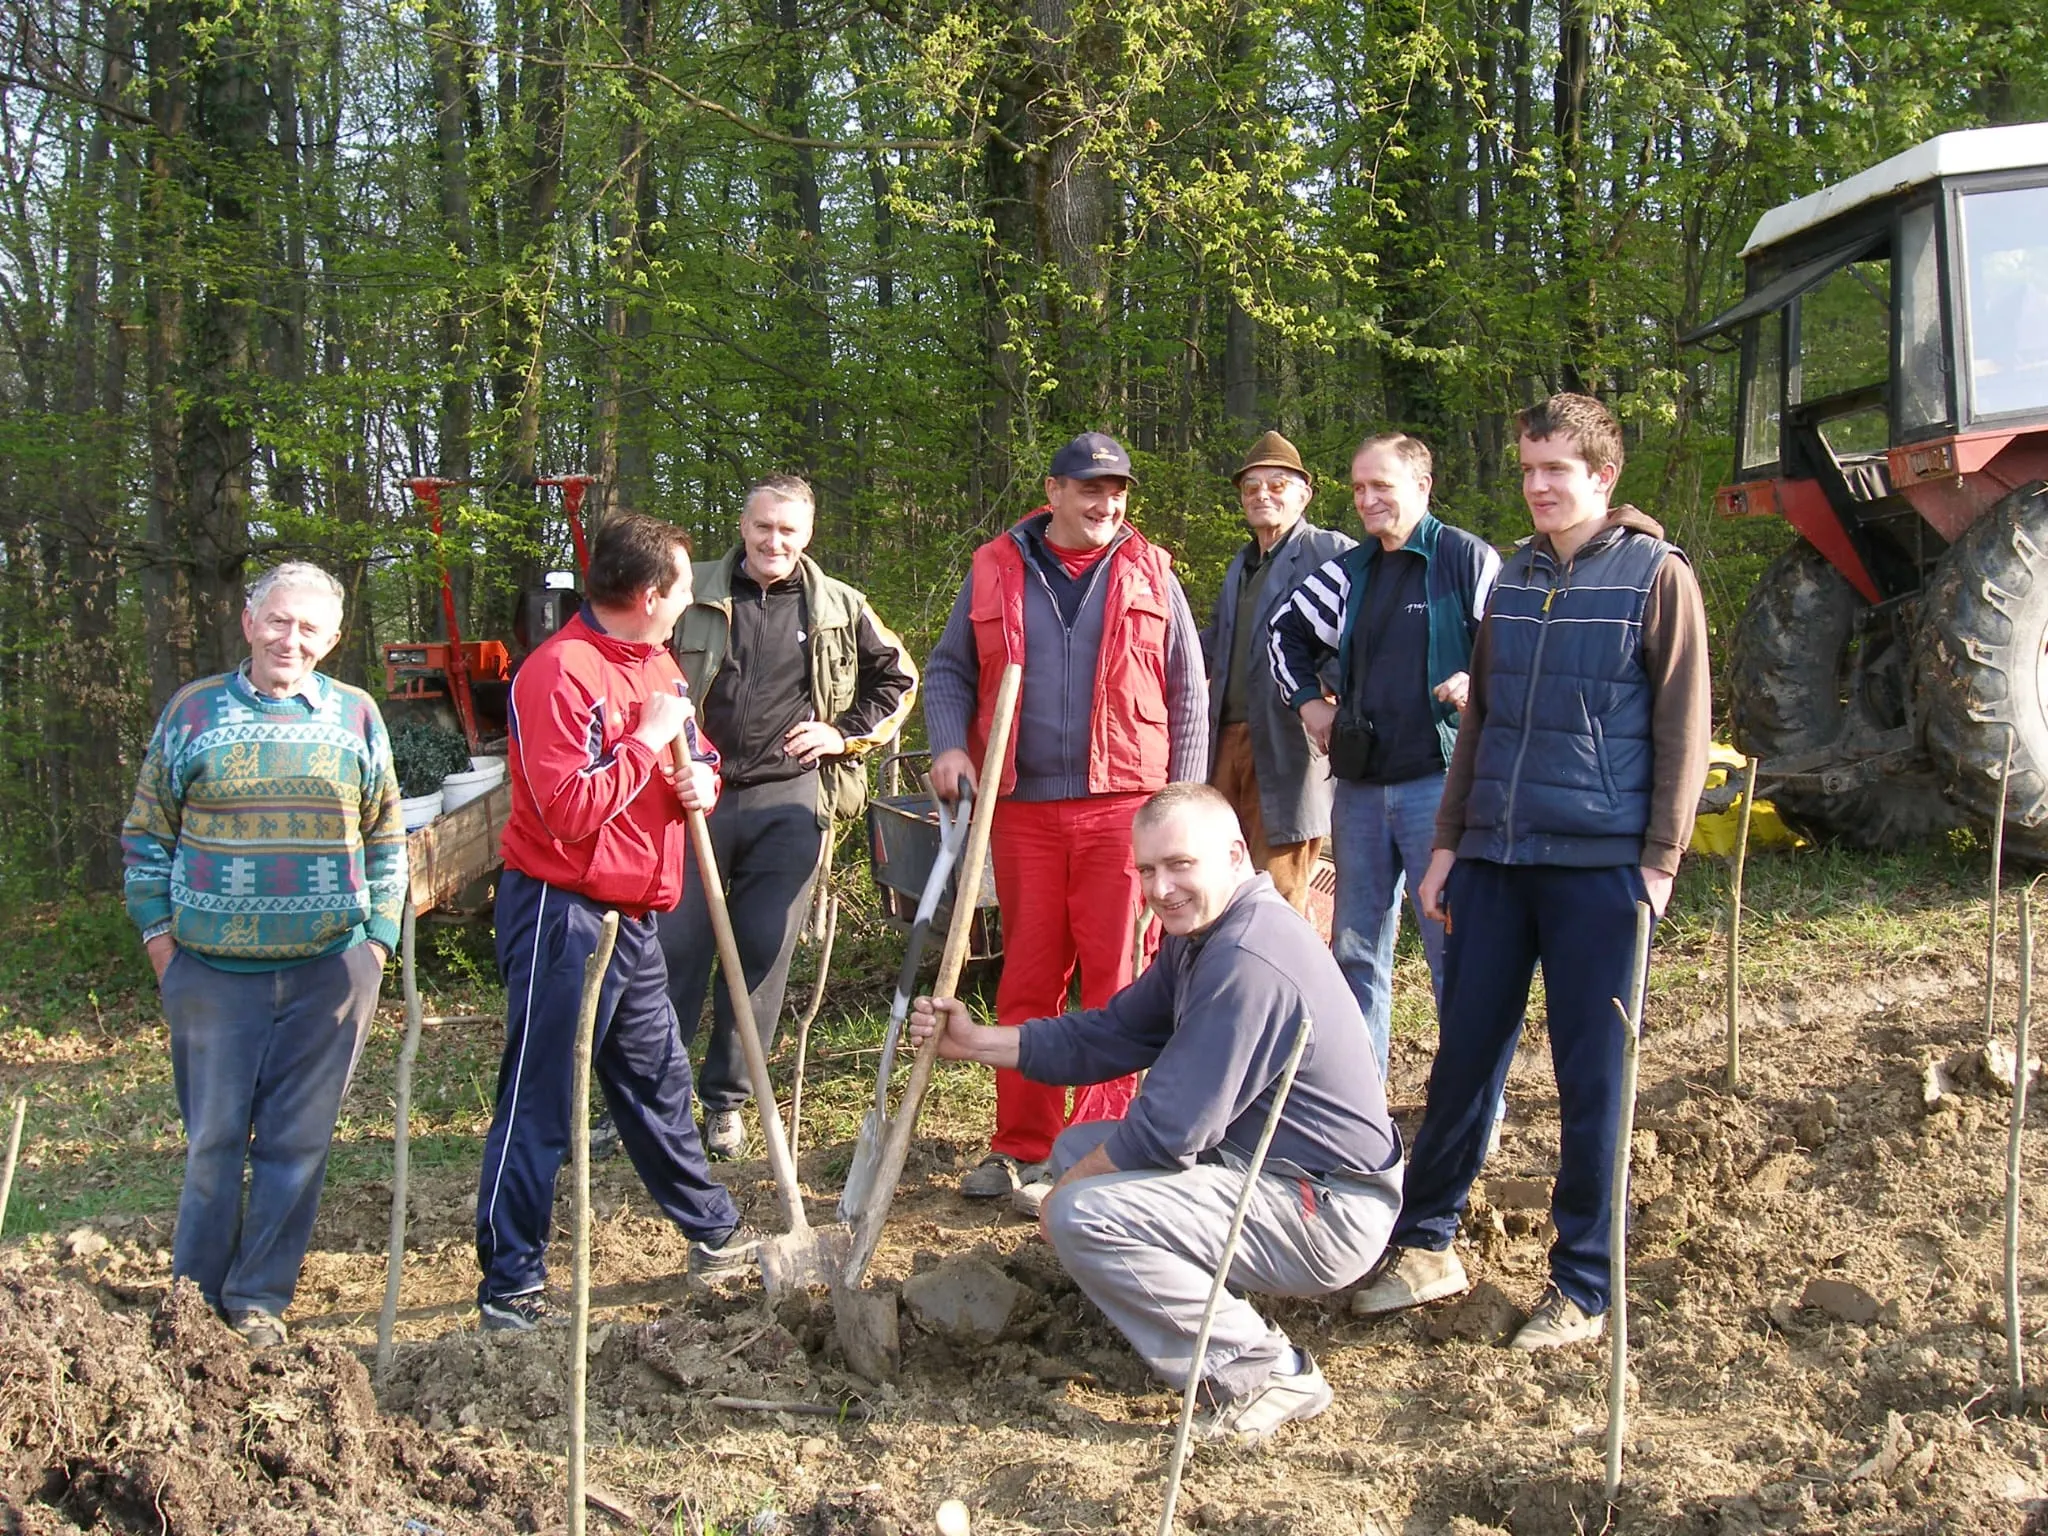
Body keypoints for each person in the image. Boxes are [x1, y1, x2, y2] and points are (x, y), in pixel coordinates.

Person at [1350, 393, 1711, 1349]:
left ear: (1604, 475)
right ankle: (1426, 1243)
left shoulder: (1655, 578)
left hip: (1599, 871)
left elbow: (1684, 726)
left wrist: (1659, 863)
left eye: (1558, 469)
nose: (1540, 486)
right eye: (1528, 469)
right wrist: (1445, 849)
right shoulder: (1510, 579)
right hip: (1496, 863)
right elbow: (1479, 726)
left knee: (1594, 1079)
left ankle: (1584, 1284)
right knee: (1464, 1060)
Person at [907, 783, 1401, 1445]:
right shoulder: (1206, 934)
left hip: (1327, 1209)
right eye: (1146, 870)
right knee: (1078, 1145)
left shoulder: (1247, 959)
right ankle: (1200, 1312)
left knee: (1085, 1211)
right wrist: (978, 1043)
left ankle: (1266, 1371)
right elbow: (1112, 1034)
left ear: (1233, 856)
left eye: (1179, 866)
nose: (1160, 888)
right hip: (1268, 1170)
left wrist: (1067, 1203)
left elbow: (1170, 1131)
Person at [474, 511, 755, 1331]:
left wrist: (701, 777)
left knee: (657, 1079)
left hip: (635, 914)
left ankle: (713, 1231)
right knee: (541, 1098)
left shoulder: (657, 661)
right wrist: (648, 742)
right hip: (562, 914)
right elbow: (566, 810)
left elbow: (690, 754)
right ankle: (512, 1283)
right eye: (680, 587)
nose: (690, 600)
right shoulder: (554, 674)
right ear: (646, 593)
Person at [121, 562, 405, 1348]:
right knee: (214, 1142)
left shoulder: (356, 716)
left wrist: (376, 945)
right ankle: (192, 1299)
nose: (291, 639)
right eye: (278, 621)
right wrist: (161, 943)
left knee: (296, 1145)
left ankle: (256, 1302)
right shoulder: (193, 712)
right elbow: (148, 834)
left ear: (333, 640)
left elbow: (387, 836)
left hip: (329, 973)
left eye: (310, 628)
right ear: (249, 622)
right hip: (210, 975)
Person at [922, 431, 1208, 1200]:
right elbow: (948, 669)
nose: (1106, 503)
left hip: (1127, 812)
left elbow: (1188, 692)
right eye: (1090, 489)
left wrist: (1182, 808)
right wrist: (950, 746)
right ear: (1053, 492)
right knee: (1027, 980)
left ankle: (1099, 1151)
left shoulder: (1152, 569)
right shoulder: (995, 565)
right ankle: (1020, 1144)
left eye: (1117, 490)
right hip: (1022, 810)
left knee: (1119, 985)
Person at [661, 474, 917, 1159]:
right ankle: (652, 1096)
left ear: (808, 535)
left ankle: (726, 1104)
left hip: (790, 800)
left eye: (789, 531)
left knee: (761, 955)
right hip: (694, 801)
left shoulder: (839, 605)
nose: (775, 541)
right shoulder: (693, 591)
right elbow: (639, 669)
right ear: (743, 525)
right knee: (673, 952)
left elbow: (900, 680)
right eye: (764, 527)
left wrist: (841, 735)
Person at [1269, 434, 1500, 1076]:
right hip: (1362, 790)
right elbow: (1282, 629)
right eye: (1359, 488)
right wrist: (1309, 704)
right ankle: (1362, 1097)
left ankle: (1472, 1097)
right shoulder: (1351, 571)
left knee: (1452, 942)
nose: (1367, 500)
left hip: (1443, 788)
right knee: (1355, 949)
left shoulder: (1464, 561)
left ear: (1422, 487)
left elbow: (1515, 649)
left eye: (1382, 487)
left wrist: (1477, 684)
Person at [1201, 431, 1355, 911]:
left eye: (1277, 484)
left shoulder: (1330, 551)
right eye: (1251, 488)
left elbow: (1364, 634)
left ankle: (1281, 983)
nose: (1262, 495)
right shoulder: (1242, 566)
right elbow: (1215, 643)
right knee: (1217, 874)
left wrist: (1323, 692)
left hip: (1289, 743)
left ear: (1304, 494)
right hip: (1226, 741)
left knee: (1278, 887)